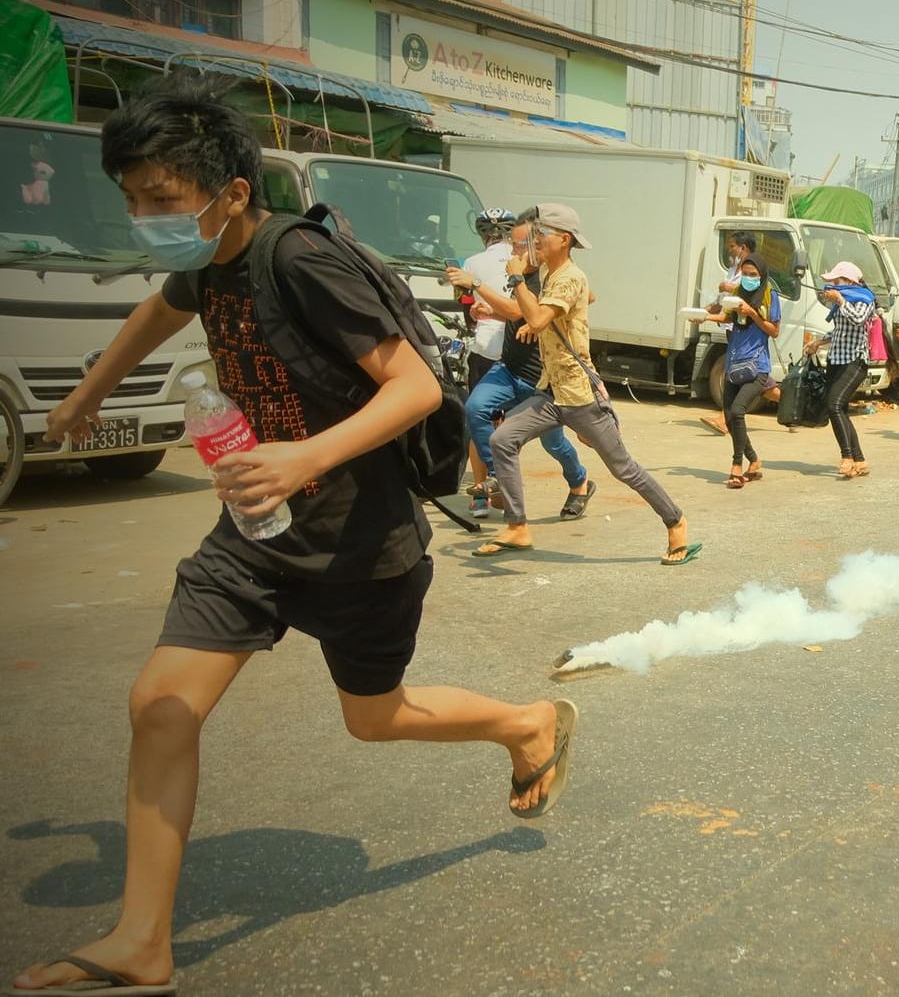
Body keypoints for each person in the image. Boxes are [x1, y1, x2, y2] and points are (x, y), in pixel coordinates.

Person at [10, 75, 582, 997]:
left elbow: (415, 390)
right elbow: (161, 307)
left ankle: (528, 722)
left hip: (359, 538)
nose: (145, 215)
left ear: (231, 192)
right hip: (253, 531)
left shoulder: (299, 259)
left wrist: (300, 455)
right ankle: (141, 939)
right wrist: (87, 393)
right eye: (132, 199)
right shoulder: (209, 260)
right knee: (160, 702)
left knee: (376, 717)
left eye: (162, 198)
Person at [475, 206, 696, 564]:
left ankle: (676, 521)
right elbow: (564, 306)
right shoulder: (551, 271)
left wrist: (520, 287)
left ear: (564, 240)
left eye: (539, 236)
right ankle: (517, 526)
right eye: (532, 237)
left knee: (622, 467)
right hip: (551, 391)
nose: (533, 243)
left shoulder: (570, 277)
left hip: (579, 395)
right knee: (503, 438)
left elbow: (539, 313)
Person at [455, 215, 594, 524]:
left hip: (540, 378)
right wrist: (491, 311)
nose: (513, 252)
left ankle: (580, 482)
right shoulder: (521, 273)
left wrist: (476, 284)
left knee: (553, 442)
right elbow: (516, 314)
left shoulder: (547, 276)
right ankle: (497, 475)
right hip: (509, 367)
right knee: (476, 407)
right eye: (513, 244)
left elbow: (526, 310)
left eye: (519, 245)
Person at [446, 207, 517, 516]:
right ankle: (507, 488)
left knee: (480, 422)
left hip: (485, 351)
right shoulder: (525, 261)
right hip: (518, 351)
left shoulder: (471, 264)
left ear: (483, 235)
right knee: (511, 427)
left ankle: (478, 495)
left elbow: (465, 307)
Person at [691, 253, 779, 487]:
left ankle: (736, 466)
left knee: (738, 411)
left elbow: (774, 330)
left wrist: (752, 313)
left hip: (756, 367)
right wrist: (704, 317)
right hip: (733, 365)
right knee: (730, 418)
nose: (749, 278)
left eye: (753, 275)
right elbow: (725, 316)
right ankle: (754, 460)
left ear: (762, 275)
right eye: (746, 274)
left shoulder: (770, 295)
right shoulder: (737, 293)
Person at [813, 261, 877, 478]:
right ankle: (859, 459)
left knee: (834, 405)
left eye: (837, 282)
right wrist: (818, 342)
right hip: (836, 360)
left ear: (849, 282)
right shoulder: (844, 301)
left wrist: (840, 300)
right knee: (841, 410)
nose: (833, 286)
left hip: (855, 361)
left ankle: (847, 456)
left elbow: (858, 320)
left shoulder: (864, 299)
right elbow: (840, 331)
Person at [699, 231, 758, 437]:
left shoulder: (751, 269)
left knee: (734, 375)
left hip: (742, 330)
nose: (729, 249)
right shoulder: (733, 269)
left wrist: (731, 287)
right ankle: (791, 406)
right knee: (749, 377)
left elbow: (752, 290)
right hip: (730, 328)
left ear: (743, 248)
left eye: (733, 245)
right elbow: (722, 302)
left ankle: (725, 419)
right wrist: (704, 311)